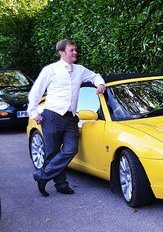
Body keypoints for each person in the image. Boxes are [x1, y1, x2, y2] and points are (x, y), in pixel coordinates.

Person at [28, 39, 106, 197]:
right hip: (51, 116)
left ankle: (42, 176)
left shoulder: (79, 69)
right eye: (71, 50)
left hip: (70, 118)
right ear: (62, 53)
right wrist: (34, 113)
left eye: (75, 49)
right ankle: (61, 184)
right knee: (52, 152)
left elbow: (95, 76)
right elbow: (36, 92)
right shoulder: (50, 70)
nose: (75, 52)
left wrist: (100, 84)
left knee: (71, 149)